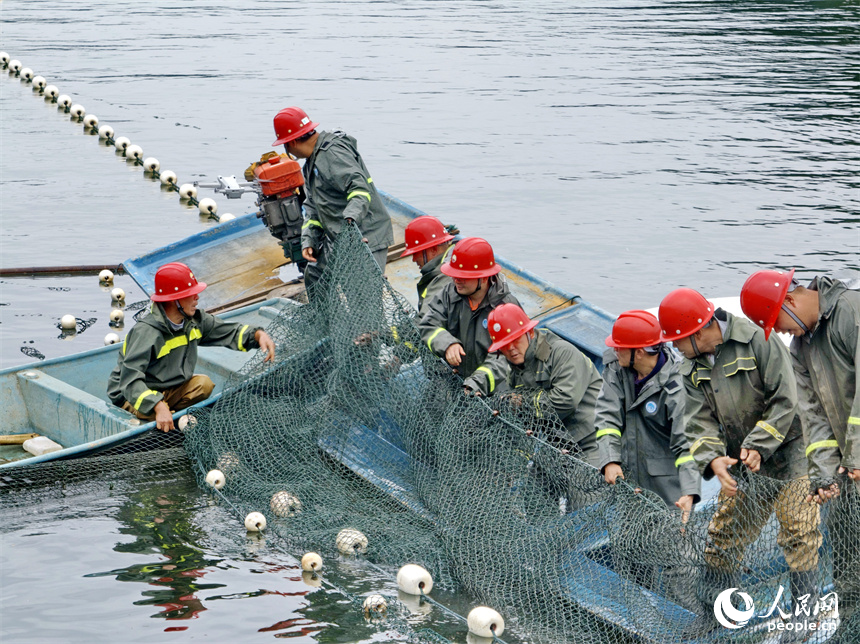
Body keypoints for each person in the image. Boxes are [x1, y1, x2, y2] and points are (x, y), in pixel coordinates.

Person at [658, 287, 822, 631]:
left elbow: (786, 397)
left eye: (677, 341)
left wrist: (759, 444)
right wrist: (714, 460)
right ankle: (716, 614)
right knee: (723, 536)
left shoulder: (757, 340)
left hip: (792, 453)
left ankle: (805, 613)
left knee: (798, 530)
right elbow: (697, 422)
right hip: (743, 464)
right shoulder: (691, 367)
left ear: (698, 331)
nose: (674, 348)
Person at [740, 268, 860, 622]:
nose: (777, 331)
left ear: (790, 300)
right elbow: (813, 414)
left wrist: (855, 456)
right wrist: (825, 477)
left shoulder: (851, 311)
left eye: (775, 321)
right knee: (849, 556)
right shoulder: (800, 347)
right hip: (850, 469)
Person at [107, 262, 276, 432]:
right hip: (131, 395)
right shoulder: (146, 332)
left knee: (203, 384)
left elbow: (227, 331)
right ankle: (166, 416)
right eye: (191, 294)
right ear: (174, 300)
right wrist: (157, 405)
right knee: (158, 413)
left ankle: (171, 415)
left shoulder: (194, 320)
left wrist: (257, 335)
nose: (197, 298)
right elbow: (129, 381)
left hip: (166, 388)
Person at [271, 107, 394, 294]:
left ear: (292, 142)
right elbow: (312, 207)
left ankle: (366, 324)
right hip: (339, 238)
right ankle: (325, 321)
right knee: (315, 276)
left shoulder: (332, 154)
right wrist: (309, 240)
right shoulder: (311, 164)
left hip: (365, 236)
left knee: (361, 296)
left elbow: (360, 189)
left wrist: (350, 219)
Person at [594, 309, 700, 513]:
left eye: (620, 347)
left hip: (668, 493)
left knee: (673, 542)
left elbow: (687, 445)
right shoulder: (616, 368)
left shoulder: (679, 386)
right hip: (628, 483)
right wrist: (610, 459)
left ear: (639, 352)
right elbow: (607, 417)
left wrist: (690, 492)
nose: (615, 350)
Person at [487, 303, 602, 464]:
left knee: (586, 488)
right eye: (504, 345)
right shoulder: (514, 370)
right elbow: (524, 414)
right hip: (557, 444)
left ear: (530, 333)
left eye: (515, 340)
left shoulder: (563, 353)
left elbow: (565, 402)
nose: (511, 348)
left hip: (593, 442)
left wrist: (522, 403)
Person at [419, 237, 520, 396]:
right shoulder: (449, 293)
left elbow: (506, 359)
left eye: (463, 276)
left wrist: (477, 382)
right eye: (454, 274)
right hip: (458, 381)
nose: (456, 280)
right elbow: (428, 324)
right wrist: (447, 344)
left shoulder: (506, 307)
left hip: (493, 392)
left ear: (484, 277)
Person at [400, 215, 454, 312]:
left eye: (416, 253)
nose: (413, 259)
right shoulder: (449, 263)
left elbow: (425, 321)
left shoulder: (444, 278)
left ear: (433, 250)